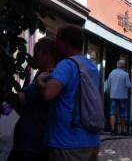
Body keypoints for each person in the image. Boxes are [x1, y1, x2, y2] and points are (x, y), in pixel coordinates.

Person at [38, 25, 100, 161]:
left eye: (57, 41)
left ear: (66, 43)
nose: (55, 45)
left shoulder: (67, 65)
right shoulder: (91, 67)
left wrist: (41, 81)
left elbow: (48, 94)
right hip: (91, 141)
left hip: (67, 142)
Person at [8, 37, 57, 161]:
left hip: (32, 144)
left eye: (36, 53)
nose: (34, 57)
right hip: (33, 143)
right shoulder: (42, 74)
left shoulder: (49, 76)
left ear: (47, 54)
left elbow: (23, 99)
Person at [105, 60, 131, 136]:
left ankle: (112, 130)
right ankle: (122, 130)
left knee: (112, 113)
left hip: (113, 96)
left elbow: (108, 85)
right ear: (124, 66)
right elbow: (128, 85)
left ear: (117, 65)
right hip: (123, 96)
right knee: (123, 114)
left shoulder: (112, 73)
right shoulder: (125, 74)